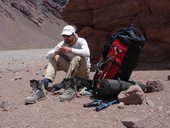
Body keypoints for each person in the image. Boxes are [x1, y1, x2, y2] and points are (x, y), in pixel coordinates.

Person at [25, 25, 91, 104]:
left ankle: (65, 83)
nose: (65, 38)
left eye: (68, 36)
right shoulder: (63, 43)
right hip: (72, 68)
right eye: (64, 36)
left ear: (73, 34)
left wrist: (70, 50)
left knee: (77, 58)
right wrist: (56, 52)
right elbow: (47, 55)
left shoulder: (81, 41)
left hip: (83, 70)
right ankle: (46, 82)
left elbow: (87, 53)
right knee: (54, 57)